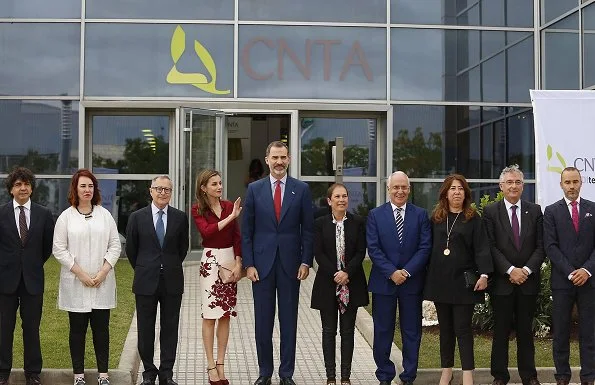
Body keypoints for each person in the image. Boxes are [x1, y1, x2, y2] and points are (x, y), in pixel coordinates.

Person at [241, 141, 314, 385]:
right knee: (263, 321)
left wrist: (306, 261)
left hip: (291, 265)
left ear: (289, 159)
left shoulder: (301, 189)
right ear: (267, 159)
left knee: (289, 321)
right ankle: (265, 372)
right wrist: (248, 264)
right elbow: (247, 231)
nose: (279, 162)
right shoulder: (254, 189)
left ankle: (286, 374)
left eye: (283, 157)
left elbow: (308, 230)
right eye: (275, 157)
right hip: (261, 266)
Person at [52, 169, 121, 385]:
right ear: (75, 188)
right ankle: (78, 376)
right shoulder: (66, 217)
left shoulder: (105, 215)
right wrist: (81, 274)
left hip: (102, 283)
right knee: (77, 332)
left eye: (90, 186)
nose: (87, 190)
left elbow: (115, 245)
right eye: (83, 186)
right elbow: (59, 249)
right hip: (76, 283)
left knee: (101, 331)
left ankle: (103, 375)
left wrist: (102, 272)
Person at [424, 174, 492, 385]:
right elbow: (428, 249)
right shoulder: (435, 218)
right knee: (445, 329)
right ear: (445, 193)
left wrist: (484, 274)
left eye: (460, 189)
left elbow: (482, 248)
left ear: (466, 193)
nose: (456, 192)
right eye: (452, 188)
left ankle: (467, 374)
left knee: (463, 329)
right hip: (440, 282)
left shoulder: (473, 218)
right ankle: (447, 371)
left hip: (464, 283)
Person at [367, 171, 431, 385]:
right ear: (388, 189)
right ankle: (384, 375)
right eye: (396, 187)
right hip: (384, 282)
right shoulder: (375, 215)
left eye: (404, 187)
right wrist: (392, 272)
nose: (400, 191)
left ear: (409, 189)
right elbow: (374, 249)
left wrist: (406, 272)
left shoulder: (421, 215)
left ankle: (408, 375)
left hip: (411, 283)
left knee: (411, 331)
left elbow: (425, 247)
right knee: (383, 330)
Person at [483, 165, 544, 385]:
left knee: (526, 332)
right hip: (502, 282)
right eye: (509, 182)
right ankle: (500, 376)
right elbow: (490, 247)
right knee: (500, 332)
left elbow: (541, 246)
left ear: (523, 186)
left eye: (518, 182)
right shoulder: (490, 212)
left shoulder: (535, 211)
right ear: (501, 186)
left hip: (527, 282)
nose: (513, 186)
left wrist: (526, 270)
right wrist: (510, 270)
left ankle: (529, 376)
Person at [126, 175, 189, 385]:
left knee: (170, 327)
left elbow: (182, 248)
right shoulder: (137, 217)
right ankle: (149, 373)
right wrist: (146, 267)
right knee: (146, 328)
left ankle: (166, 373)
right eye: (159, 189)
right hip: (145, 280)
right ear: (151, 191)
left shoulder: (180, 217)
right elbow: (131, 250)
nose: (163, 193)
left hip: (172, 280)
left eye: (167, 190)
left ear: (171, 193)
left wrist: (167, 265)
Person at [0, 167, 54, 385]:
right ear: (11, 189)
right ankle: (3, 371)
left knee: (31, 328)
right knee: (4, 328)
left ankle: (33, 373)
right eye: (18, 185)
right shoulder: (1, 213)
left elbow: (47, 247)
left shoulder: (44, 214)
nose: (23, 188)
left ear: (32, 188)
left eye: (26, 184)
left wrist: (31, 264)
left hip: (33, 280)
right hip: (5, 281)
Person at [310, 183, 368, 385]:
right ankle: (330, 376)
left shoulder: (358, 222)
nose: (342, 200)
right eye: (337, 196)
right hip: (328, 282)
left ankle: (345, 377)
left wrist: (346, 273)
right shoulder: (320, 223)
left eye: (344, 196)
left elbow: (361, 252)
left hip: (351, 282)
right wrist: (336, 273)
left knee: (347, 332)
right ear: (329, 201)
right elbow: (318, 253)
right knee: (328, 331)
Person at [543, 167, 595, 385]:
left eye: (575, 182)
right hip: (562, 281)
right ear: (561, 184)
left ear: (581, 182)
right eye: (567, 182)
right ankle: (562, 376)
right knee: (561, 332)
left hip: (589, 281)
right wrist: (571, 272)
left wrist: (586, 270)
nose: (572, 186)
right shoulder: (551, 211)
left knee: (589, 332)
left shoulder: (593, 209)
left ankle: (589, 376)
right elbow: (550, 246)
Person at [191, 169, 243, 385]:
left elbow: (237, 235)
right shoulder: (197, 209)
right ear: (203, 188)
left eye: (220, 183)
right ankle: (211, 365)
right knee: (209, 315)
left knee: (225, 315)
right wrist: (230, 217)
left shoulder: (230, 206)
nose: (219, 187)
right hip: (210, 261)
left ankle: (221, 364)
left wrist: (239, 262)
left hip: (229, 258)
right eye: (214, 184)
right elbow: (207, 232)